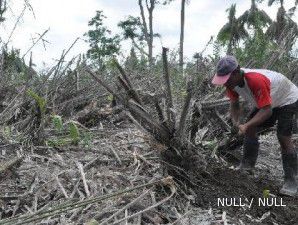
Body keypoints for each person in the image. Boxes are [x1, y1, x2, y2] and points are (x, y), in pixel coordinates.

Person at [212, 55, 298, 197]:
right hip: (270, 99)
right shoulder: (231, 83)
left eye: (226, 79)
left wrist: (245, 126)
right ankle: (247, 166)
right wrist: (236, 123)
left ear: (237, 71)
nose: (224, 83)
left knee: (283, 137)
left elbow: (267, 111)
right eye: (223, 80)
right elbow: (234, 104)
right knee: (250, 127)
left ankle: (292, 182)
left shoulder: (255, 80)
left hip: (287, 98)